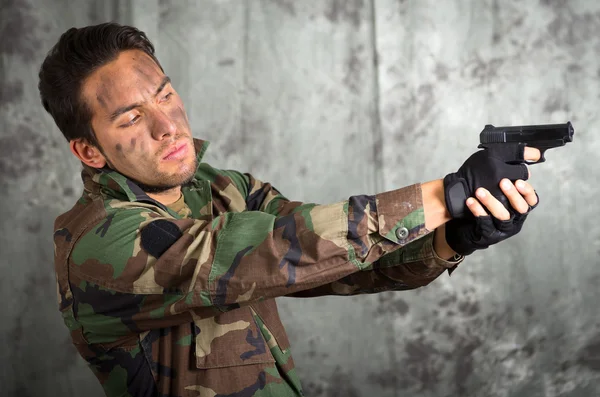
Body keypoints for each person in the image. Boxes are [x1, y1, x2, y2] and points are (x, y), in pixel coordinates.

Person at [39, 22, 540, 397]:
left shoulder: (222, 190)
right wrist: (444, 195)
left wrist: (456, 234)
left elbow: (335, 265)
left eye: (165, 94)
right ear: (89, 151)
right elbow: (278, 251)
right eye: (131, 118)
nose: (166, 124)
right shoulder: (97, 242)